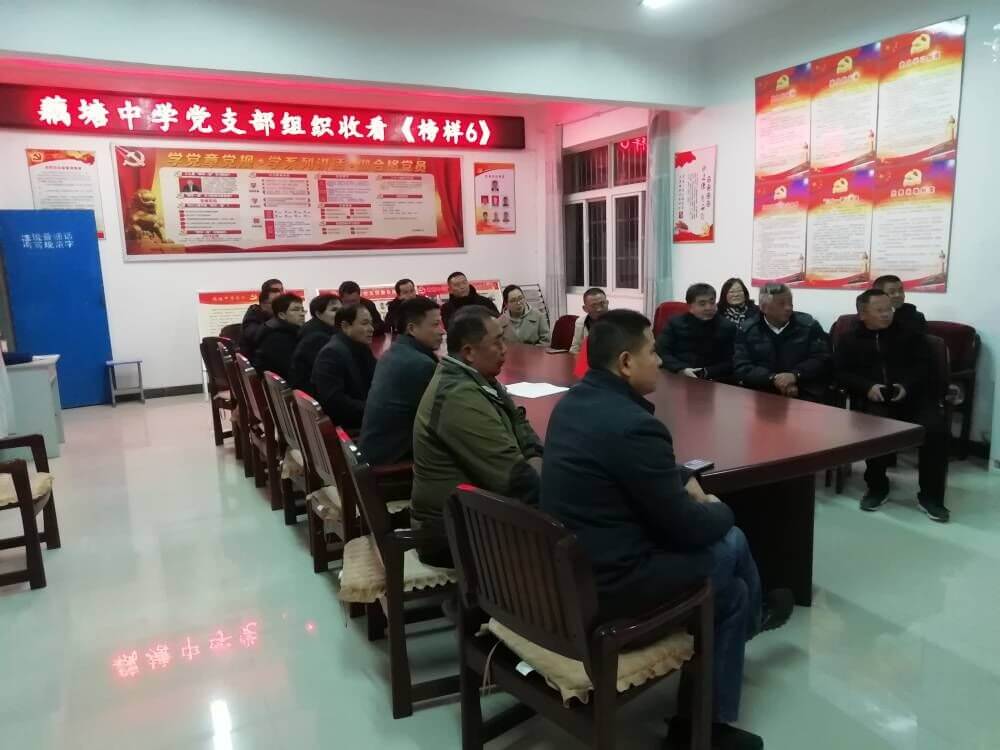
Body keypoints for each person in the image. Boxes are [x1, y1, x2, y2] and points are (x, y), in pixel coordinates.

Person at [541, 310, 792, 750]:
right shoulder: (634, 424)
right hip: (612, 588)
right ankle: (747, 635)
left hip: (576, 569)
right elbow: (688, 529)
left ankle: (703, 717)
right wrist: (719, 507)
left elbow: (627, 468)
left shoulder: (573, 404)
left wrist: (680, 477)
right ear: (625, 362)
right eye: (652, 352)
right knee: (732, 541)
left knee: (731, 594)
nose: (659, 361)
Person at [411, 306, 543, 567]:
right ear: (469, 352)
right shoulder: (457, 395)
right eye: (497, 342)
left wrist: (535, 456)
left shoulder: (479, 379)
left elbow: (521, 425)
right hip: (452, 532)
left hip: (473, 515)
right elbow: (514, 479)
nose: (505, 349)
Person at [835, 289, 949, 521]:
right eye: (879, 310)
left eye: (889, 309)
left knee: (936, 430)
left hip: (913, 397)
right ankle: (877, 487)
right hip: (874, 398)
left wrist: (905, 386)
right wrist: (867, 387)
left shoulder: (910, 334)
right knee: (874, 428)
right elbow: (840, 373)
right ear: (863, 314)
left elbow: (924, 367)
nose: (887, 314)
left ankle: (931, 497)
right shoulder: (848, 340)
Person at [360, 296, 443, 467]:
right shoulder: (419, 364)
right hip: (393, 461)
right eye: (435, 325)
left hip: (374, 451)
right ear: (412, 329)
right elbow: (444, 419)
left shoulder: (394, 352)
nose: (442, 331)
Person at [733, 283, 832, 402]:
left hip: (803, 390)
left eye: (790, 303)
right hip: (761, 392)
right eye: (781, 304)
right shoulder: (747, 329)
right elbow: (742, 366)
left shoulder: (809, 326)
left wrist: (795, 375)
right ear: (763, 307)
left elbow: (821, 358)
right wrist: (773, 378)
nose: (788, 308)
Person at [310, 304, 376, 430]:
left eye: (371, 323)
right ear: (345, 326)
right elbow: (335, 402)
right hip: (349, 427)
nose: (371, 329)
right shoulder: (331, 354)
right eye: (364, 323)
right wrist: (375, 409)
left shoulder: (360, 347)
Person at [656, 283, 737, 381]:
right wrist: (682, 369)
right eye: (702, 304)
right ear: (690, 307)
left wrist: (705, 372)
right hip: (677, 375)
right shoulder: (675, 323)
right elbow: (662, 352)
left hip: (712, 379)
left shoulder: (727, 327)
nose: (708, 307)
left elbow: (731, 361)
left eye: (712, 302)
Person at [289, 293, 341, 392]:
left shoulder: (313, 327)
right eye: (334, 310)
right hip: (315, 392)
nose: (341, 314)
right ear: (318, 314)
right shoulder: (318, 337)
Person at [253, 293, 306, 379]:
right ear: (282, 315)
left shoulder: (280, 329)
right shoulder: (278, 338)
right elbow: (293, 371)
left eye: (302, 310)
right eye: (295, 310)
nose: (302, 314)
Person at [240, 279, 283, 359]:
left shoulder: (281, 315)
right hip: (257, 359)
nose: (280, 294)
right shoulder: (254, 313)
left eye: (281, 290)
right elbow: (254, 335)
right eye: (275, 291)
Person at [569, 287, 609, 353]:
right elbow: (575, 349)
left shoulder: (618, 322)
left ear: (607, 303)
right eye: (593, 306)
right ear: (585, 308)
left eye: (602, 304)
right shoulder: (580, 322)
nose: (599, 309)